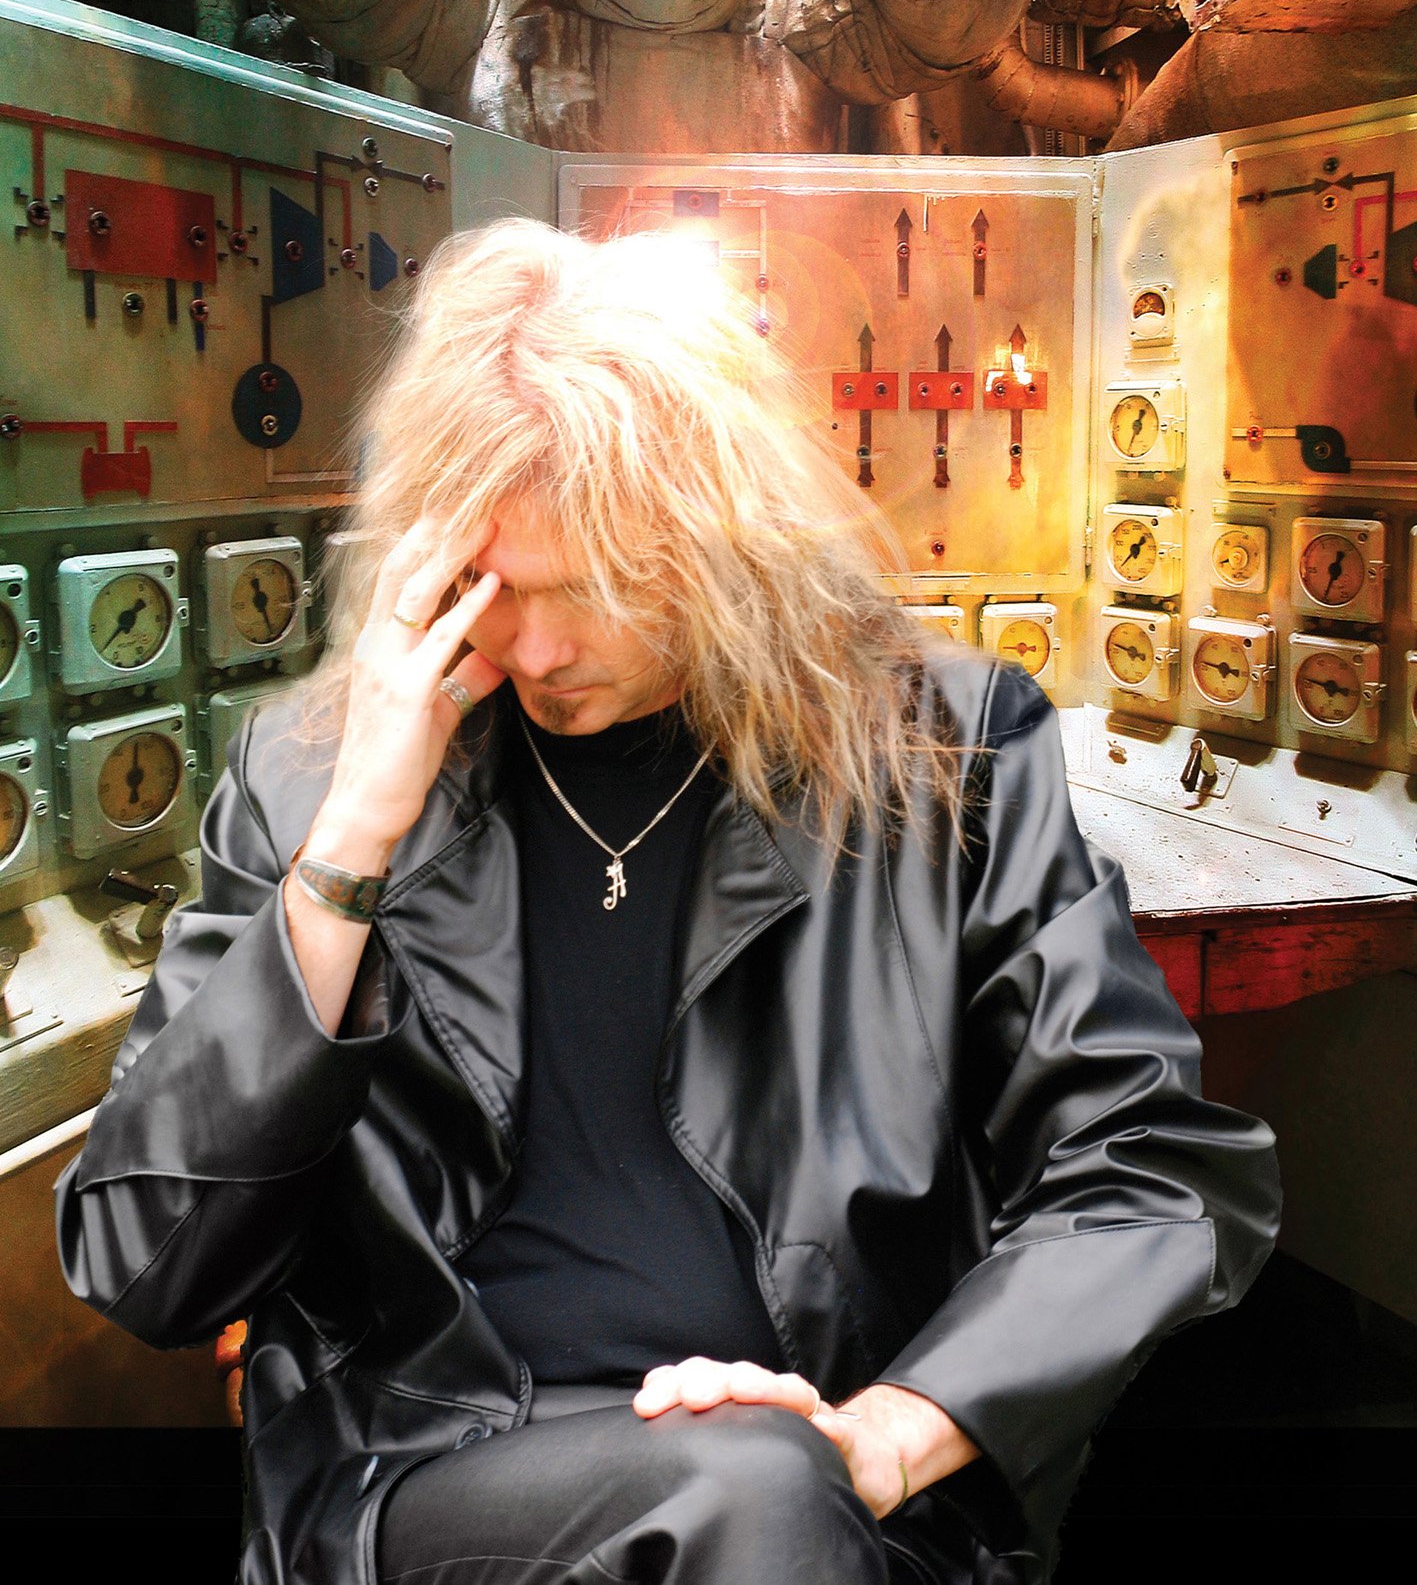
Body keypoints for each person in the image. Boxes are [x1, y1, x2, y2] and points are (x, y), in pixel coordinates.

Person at [55, 221, 1280, 1585]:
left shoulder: (939, 753)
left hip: (826, 1474)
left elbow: (1150, 1170)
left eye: (599, 586)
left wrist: (891, 1430)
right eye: (493, 591)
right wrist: (350, 847)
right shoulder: (310, 783)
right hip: (435, 1480)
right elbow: (146, 1263)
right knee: (752, 1492)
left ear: (720, 539)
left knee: (765, 1489)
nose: (541, 650)